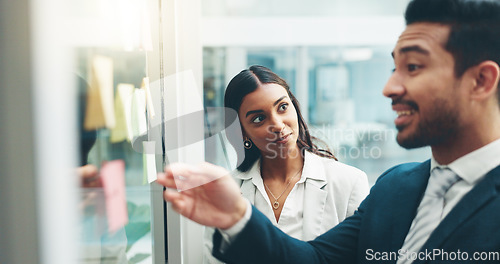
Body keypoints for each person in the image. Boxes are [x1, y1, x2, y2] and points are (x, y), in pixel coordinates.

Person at [157, 0, 500, 263]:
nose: (390, 87)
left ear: (481, 81)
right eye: (395, 67)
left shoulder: (352, 181)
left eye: (413, 67)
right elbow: (315, 258)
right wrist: (238, 217)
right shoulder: (395, 188)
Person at [203, 65, 369, 263]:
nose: (278, 125)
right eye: (259, 118)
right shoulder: (226, 192)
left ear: (295, 107)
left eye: (282, 107)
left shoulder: (349, 182)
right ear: (242, 132)